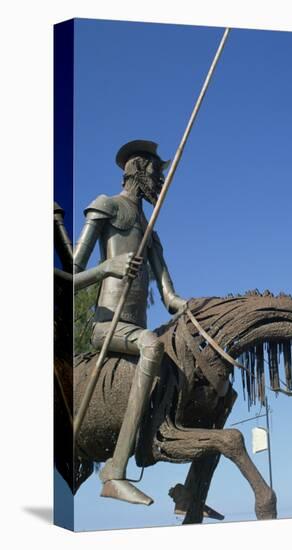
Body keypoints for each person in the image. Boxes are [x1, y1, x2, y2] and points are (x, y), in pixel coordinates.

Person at [74, 140, 186, 505]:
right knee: (152, 346)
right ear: (138, 169)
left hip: (136, 326)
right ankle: (114, 471)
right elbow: (67, 276)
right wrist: (107, 267)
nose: (160, 183)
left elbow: (169, 297)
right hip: (107, 326)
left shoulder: (149, 229)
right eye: (156, 173)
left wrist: (194, 308)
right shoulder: (107, 206)